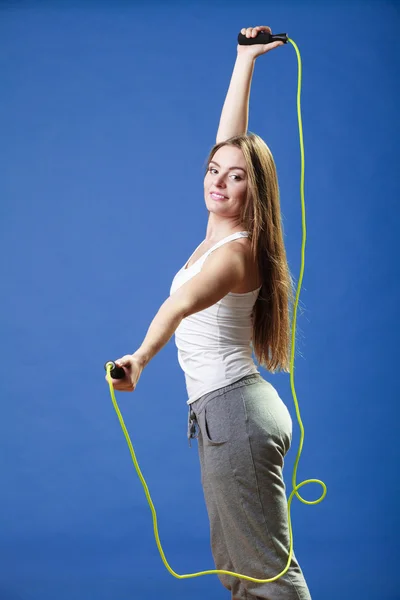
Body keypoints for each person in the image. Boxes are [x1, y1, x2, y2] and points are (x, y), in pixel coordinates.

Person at [107, 25, 312, 600]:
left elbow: (178, 305)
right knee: (242, 571)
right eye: (212, 171)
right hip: (227, 418)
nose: (219, 182)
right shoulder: (219, 231)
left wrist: (141, 358)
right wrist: (245, 60)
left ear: (255, 191)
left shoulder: (236, 255)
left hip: (235, 417)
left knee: (267, 572)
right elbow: (231, 141)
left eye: (236, 177)